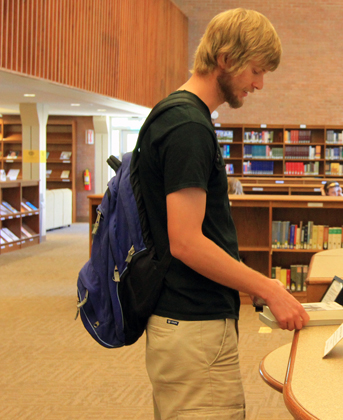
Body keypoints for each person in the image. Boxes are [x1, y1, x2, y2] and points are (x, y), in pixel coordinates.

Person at [135, 9, 309, 420]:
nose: (259, 84)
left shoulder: (174, 114)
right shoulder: (188, 127)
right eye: (256, 70)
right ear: (226, 59)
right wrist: (269, 288)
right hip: (193, 326)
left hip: (182, 324)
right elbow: (187, 242)